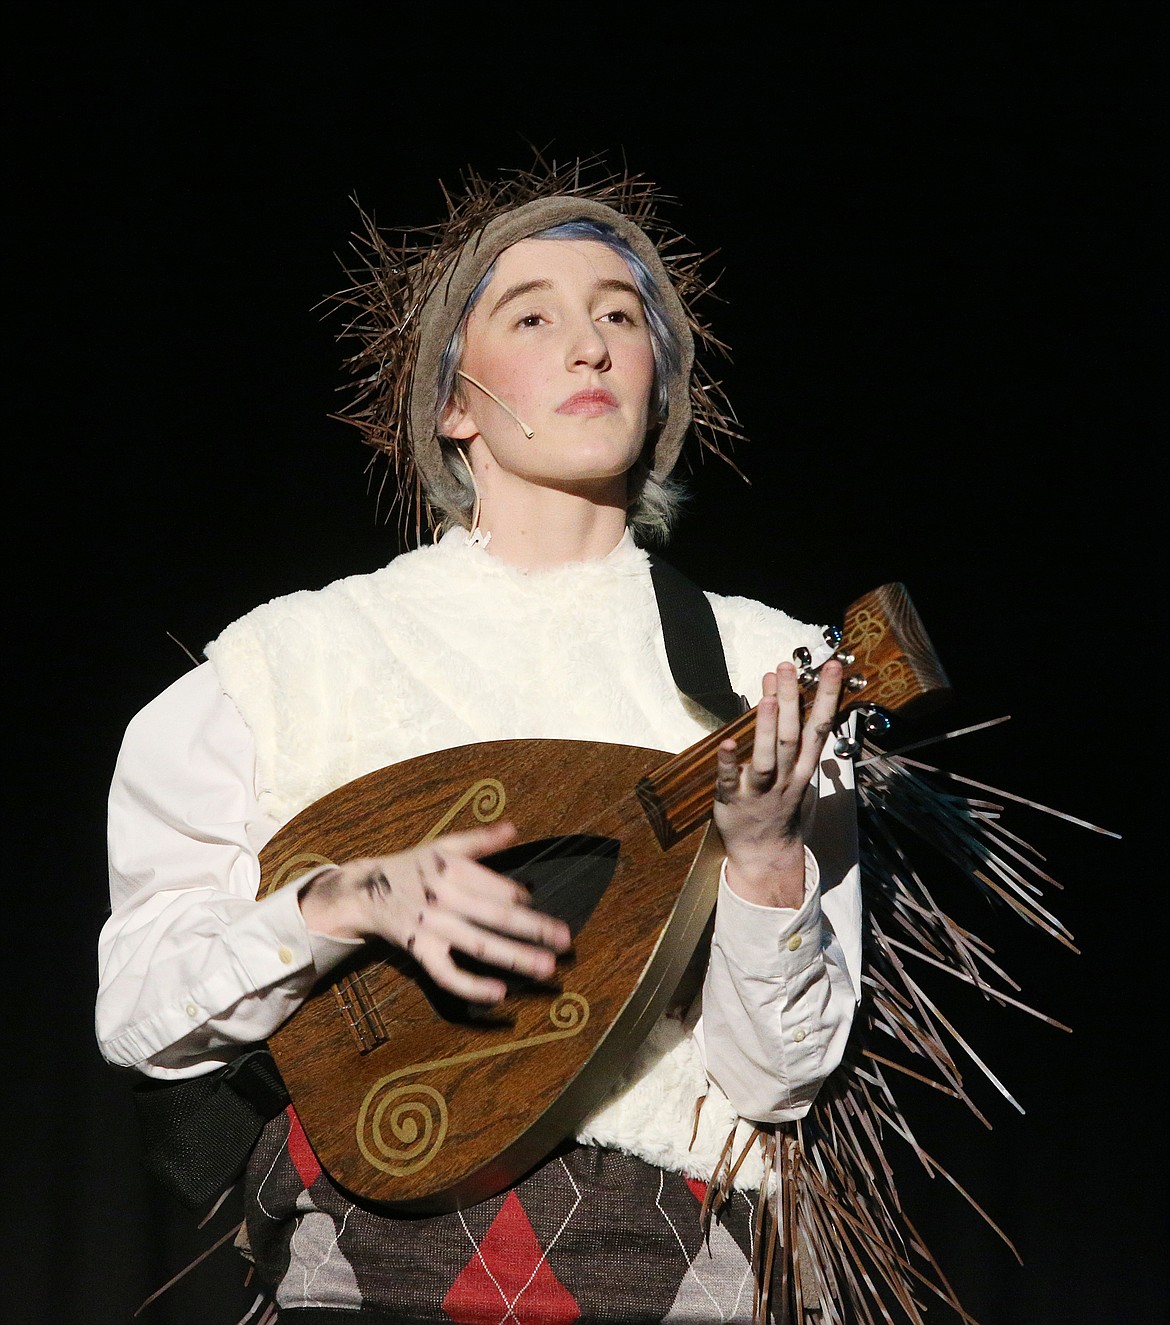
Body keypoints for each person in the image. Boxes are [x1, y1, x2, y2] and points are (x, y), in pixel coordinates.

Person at [97, 162, 863, 1324]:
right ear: (455, 401)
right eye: (534, 315)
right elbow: (140, 1009)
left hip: (663, 1268)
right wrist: (340, 901)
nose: (592, 345)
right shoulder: (290, 663)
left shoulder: (771, 672)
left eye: (621, 315)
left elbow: (776, 1081)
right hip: (358, 1265)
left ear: (660, 385)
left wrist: (762, 859)